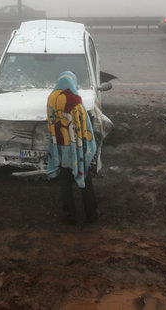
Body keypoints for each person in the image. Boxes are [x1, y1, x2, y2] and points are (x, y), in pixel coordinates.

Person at [46, 71, 98, 224]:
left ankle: (69, 217)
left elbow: (51, 124)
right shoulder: (76, 102)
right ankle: (91, 214)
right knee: (86, 181)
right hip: (78, 150)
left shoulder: (51, 99)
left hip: (61, 151)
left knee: (65, 184)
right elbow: (85, 128)